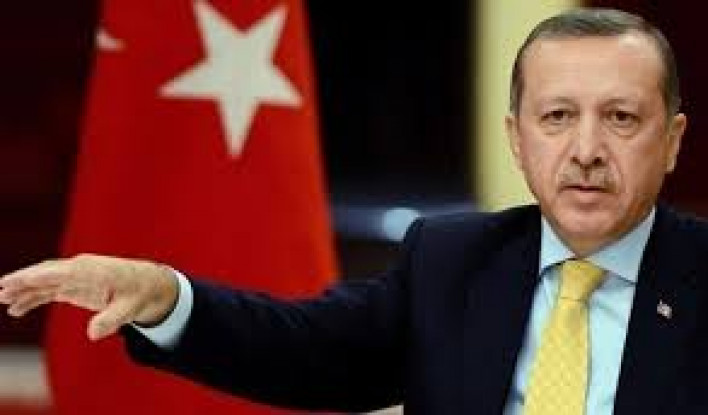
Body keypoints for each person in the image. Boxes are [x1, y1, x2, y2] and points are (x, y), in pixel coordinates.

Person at [0, 7, 703, 414]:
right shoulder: (452, 260)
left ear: (671, 141)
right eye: (557, 117)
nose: (586, 150)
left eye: (620, 117)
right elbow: (301, 347)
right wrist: (166, 296)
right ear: (517, 138)